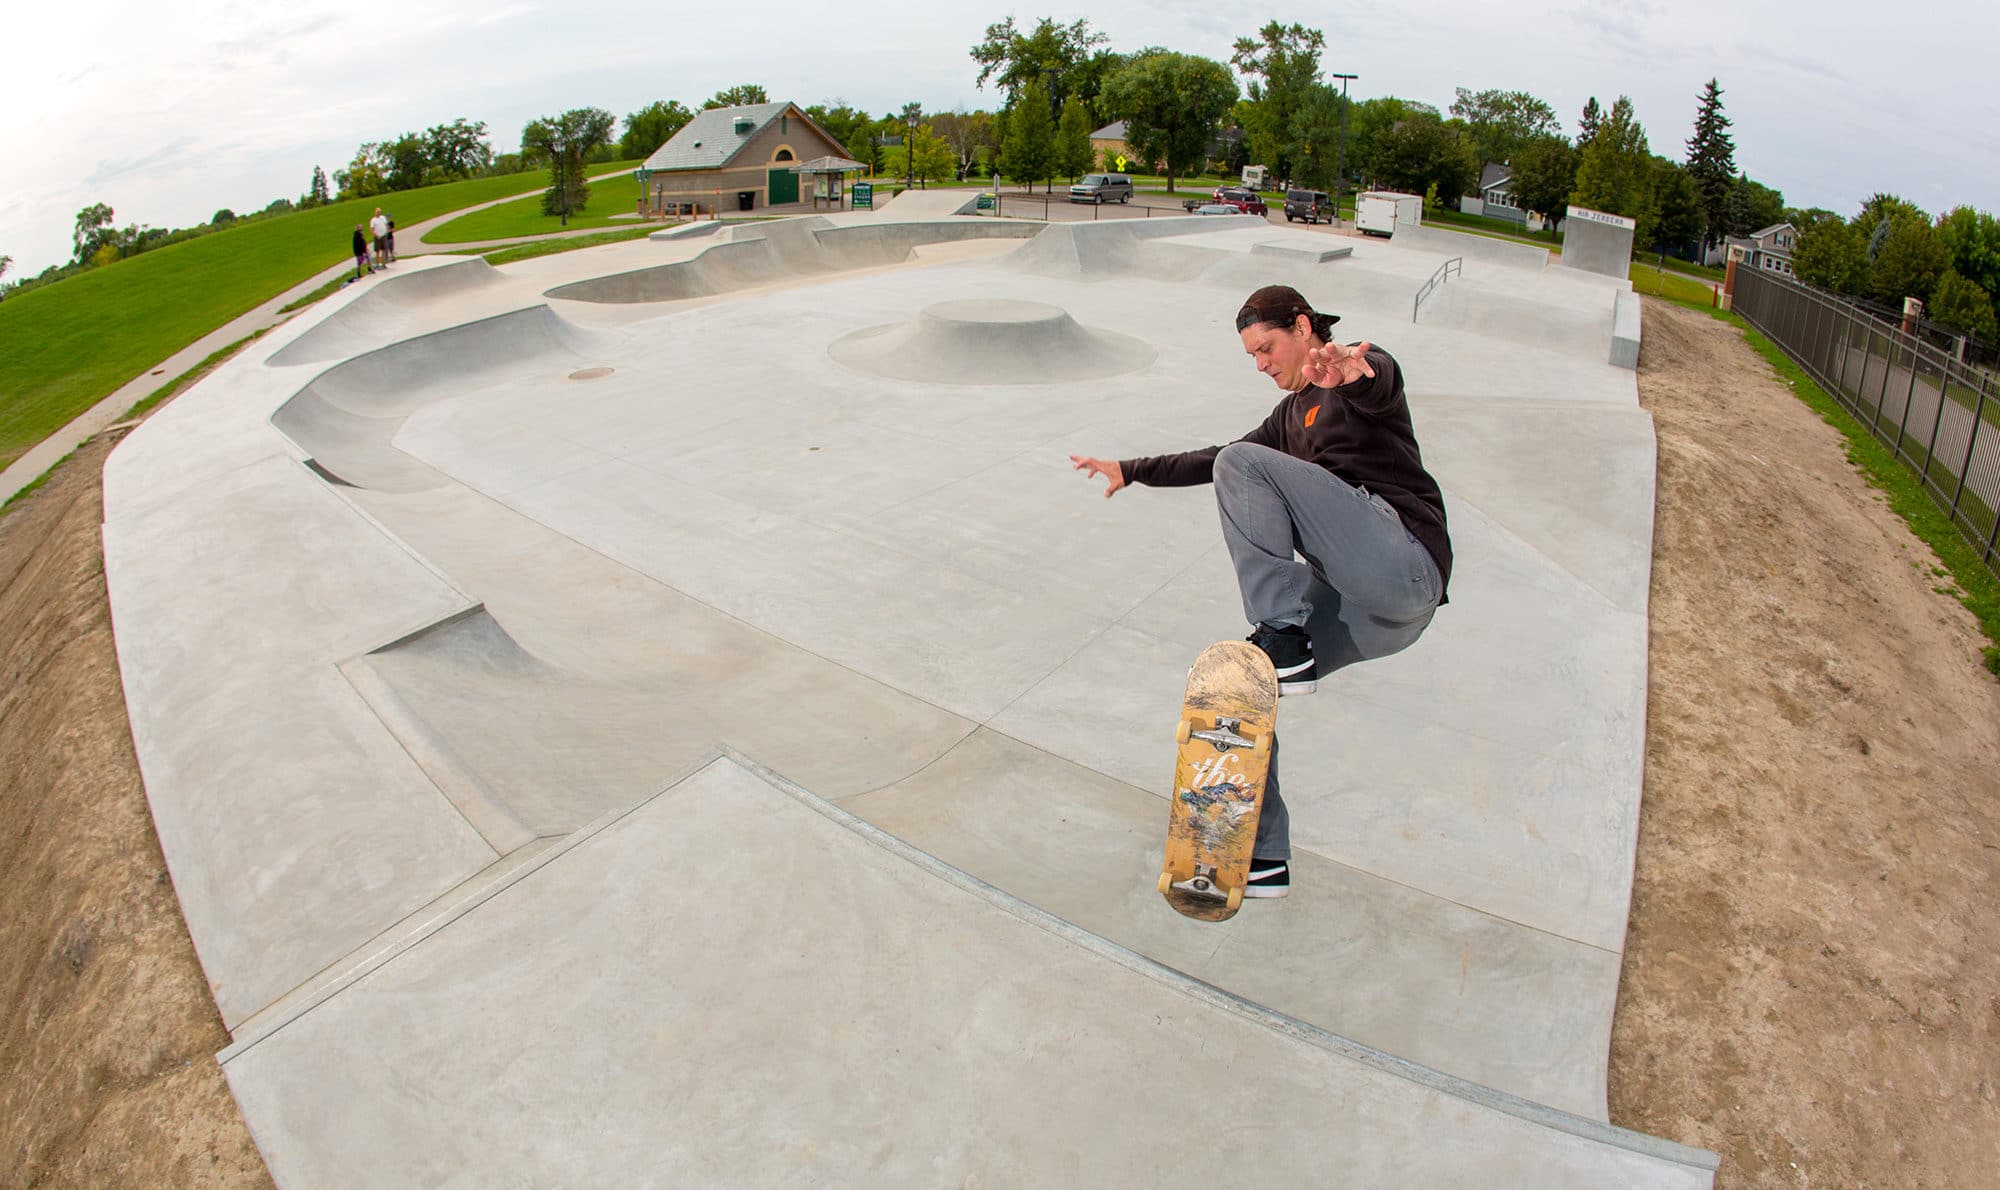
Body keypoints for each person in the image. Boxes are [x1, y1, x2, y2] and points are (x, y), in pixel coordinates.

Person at [1070, 284, 1451, 899]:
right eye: (1252, 356)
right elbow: (1217, 457)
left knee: (1242, 467)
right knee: (1238, 686)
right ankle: (1262, 853)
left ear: (1304, 328)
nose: (1262, 364)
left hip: (1404, 560)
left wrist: (1356, 373)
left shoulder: (1355, 373)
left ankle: (1283, 632)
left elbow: (1379, 380)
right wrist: (1132, 470)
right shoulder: (1286, 420)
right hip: (1375, 616)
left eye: (1268, 347)